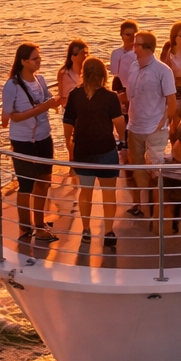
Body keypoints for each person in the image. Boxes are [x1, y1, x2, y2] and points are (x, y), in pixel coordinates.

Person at [1, 43, 63, 244]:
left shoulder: (41, 80)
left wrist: (53, 104)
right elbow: (12, 117)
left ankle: (40, 223)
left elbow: (46, 101)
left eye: (39, 57)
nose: (39, 61)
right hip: (23, 139)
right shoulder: (13, 85)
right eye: (35, 59)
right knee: (26, 184)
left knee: (45, 180)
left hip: (44, 136)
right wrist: (40, 109)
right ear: (23, 61)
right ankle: (25, 226)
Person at [62, 57, 124, 251]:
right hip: (106, 150)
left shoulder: (75, 95)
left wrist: (69, 144)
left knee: (85, 193)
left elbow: (68, 122)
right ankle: (108, 232)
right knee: (108, 195)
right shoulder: (110, 96)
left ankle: (87, 230)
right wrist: (122, 140)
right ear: (103, 75)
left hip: (83, 151)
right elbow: (119, 122)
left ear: (84, 73)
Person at [125, 30, 177, 219]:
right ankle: (139, 204)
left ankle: (158, 207)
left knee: (156, 171)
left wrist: (162, 123)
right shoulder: (132, 67)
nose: (133, 47)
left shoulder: (163, 70)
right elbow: (131, 95)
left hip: (155, 128)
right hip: (134, 126)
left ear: (147, 48)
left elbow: (172, 101)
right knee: (137, 167)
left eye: (136, 44)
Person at [109, 20, 139, 114]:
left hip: (136, 88)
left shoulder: (139, 53)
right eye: (128, 34)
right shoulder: (115, 53)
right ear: (121, 35)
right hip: (119, 87)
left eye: (134, 35)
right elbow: (114, 72)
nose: (131, 38)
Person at [57, 40, 88, 104]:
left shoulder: (89, 71)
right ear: (73, 56)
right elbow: (62, 98)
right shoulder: (64, 73)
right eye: (82, 53)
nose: (86, 56)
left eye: (86, 53)